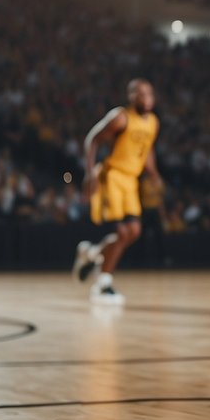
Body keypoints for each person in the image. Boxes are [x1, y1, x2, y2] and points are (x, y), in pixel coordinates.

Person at [72, 79, 162, 305]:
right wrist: (90, 173)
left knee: (133, 232)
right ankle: (102, 284)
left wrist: (154, 174)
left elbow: (147, 149)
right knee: (123, 232)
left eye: (149, 94)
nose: (146, 98)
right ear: (131, 97)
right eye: (140, 94)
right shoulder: (121, 117)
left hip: (131, 180)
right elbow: (92, 140)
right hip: (112, 176)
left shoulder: (153, 122)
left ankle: (91, 253)